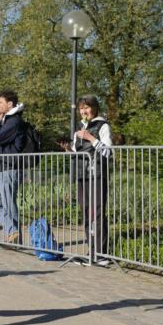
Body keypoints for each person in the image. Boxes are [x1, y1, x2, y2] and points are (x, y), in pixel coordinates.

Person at [68, 94, 113, 265]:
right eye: (81, 108)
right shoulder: (79, 127)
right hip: (82, 175)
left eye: (87, 107)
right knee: (86, 212)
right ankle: (91, 251)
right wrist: (68, 149)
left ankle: (102, 254)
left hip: (97, 174)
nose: (84, 111)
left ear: (94, 108)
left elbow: (108, 152)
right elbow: (77, 152)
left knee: (97, 213)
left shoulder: (103, 126)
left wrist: (90, 138)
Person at [0, 90, 27, 243]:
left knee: (7, 203)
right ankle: (13, 233)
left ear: (10, 104)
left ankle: (14, 235)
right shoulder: (9, 120)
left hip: (10, 168)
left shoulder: (13, 121)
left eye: (1, 102)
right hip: (4, 168)